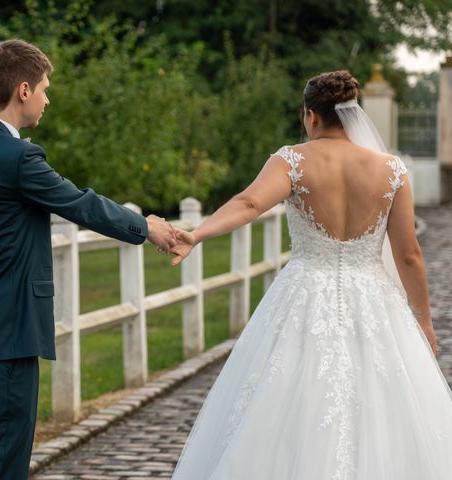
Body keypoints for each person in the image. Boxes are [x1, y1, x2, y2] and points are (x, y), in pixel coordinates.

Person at [170, 70, 452, 479]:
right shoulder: (392, 170)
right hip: (374, 299)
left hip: (303, 296)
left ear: (311, 116)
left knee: (285, 397)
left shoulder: (292, 160)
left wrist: (195, 234)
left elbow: (249, 204)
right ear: (351, 114)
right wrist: (423, 320)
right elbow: (409, 255)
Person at [0, 39, 176, 480]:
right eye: (44, 88)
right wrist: (148, 228)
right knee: (1, 468)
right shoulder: (17, 157)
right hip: (8, 339)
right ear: (23, 90)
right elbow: (81, 204)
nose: (48, 98)